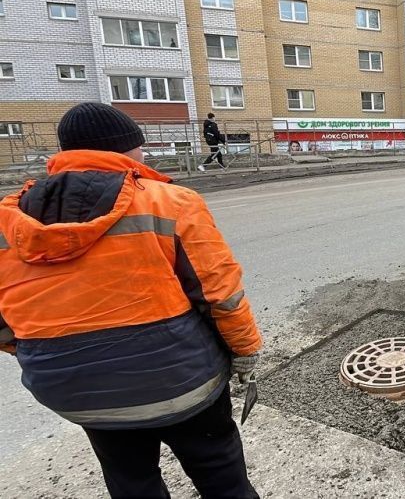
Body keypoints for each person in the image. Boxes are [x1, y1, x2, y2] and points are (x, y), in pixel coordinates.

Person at [0, 102, 262, 498]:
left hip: (76, 393)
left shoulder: (8, 218)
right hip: (180, 382)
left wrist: (47, 353)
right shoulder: (171, 202)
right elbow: (219, 293)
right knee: (220, 474)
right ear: (127, 149)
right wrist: (245, 352)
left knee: (131, 482)